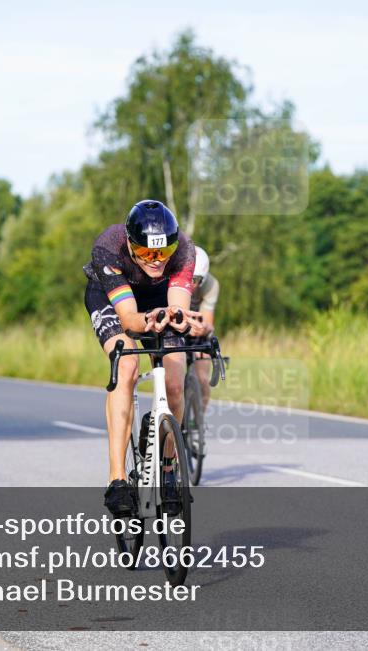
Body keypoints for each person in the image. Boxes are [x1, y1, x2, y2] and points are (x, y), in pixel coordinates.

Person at [82, 200, 206, 516]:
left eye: (163, 252)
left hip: (157, 298)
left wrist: (179, 317)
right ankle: (118, 482)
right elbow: (130, 320)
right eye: (149, 253)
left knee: (176, 382)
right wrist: (147, 320)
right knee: (127, 364)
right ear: (131, 243)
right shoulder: (109, 248)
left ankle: (167, 470)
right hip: (114, 298)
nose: (157, 260)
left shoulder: (184, 251)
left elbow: (177, 304)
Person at [188, 246, 220, 413]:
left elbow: (207, 321)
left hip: (199, 328)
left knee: (202, 377)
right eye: (187, 278)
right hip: (179, 326)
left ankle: (198, 420)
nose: (190, 284)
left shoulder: (211, 285)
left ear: (203, 278)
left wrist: (201, 329)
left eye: (195, 280)